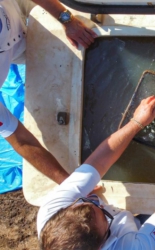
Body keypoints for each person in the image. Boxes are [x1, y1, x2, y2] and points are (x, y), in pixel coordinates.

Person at [36, 95, 155, 249]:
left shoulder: (51, 211)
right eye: (103, 214)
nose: (99, 204)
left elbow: (99, 160)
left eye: (82, 202)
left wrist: (137, 122)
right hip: (130, 233)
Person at [0, 0, 97, 183]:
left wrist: (66, 19)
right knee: (49, 55)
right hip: (16, 49)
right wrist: (69, 185)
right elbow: (20, 139)